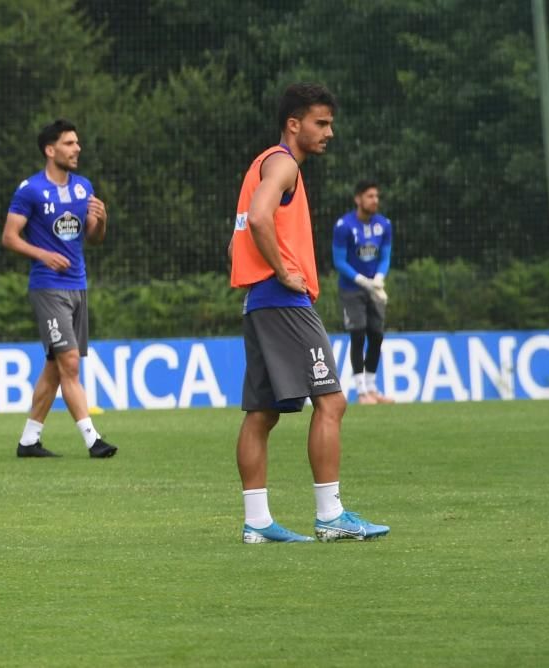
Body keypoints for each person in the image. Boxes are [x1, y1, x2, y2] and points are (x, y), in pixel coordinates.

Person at [229, 83, 389, 543]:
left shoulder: (260, 164)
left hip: (258, 301)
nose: (329, 132)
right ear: (293, 124)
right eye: (321, 123)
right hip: (282, 300)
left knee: (262, 412)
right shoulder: (283, 164)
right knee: (332, 401)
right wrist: (283, 271)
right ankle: (330, 515)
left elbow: (237, 235)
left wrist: (263, 272)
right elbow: (259, 218)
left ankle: (257, 523)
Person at [2, 119, 117, 459]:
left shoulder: (83, 187)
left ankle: (28, 441)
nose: (77, 148)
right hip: (48, 288)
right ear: (50, 150)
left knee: (55, 367)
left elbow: (94, 239)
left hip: (78, 285)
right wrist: (43, 255)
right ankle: (93, 440)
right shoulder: (30, 190)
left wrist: (102, 220)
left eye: (77, 143)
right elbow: (9, 237)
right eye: (69, 143)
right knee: (69, 362)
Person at [332, 180, 394, 404]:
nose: (375, 200)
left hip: (374, 288)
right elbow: (339, 261)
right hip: (351, 289)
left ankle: (372, 387)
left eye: (376, 196)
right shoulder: (343, 226)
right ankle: (361, 392)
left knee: (376, 334)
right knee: (358, 333)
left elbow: (385, 256)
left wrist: (378, 278)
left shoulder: (384, 225)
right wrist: (362, 281)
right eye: (370, 196)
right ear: (358, 199)